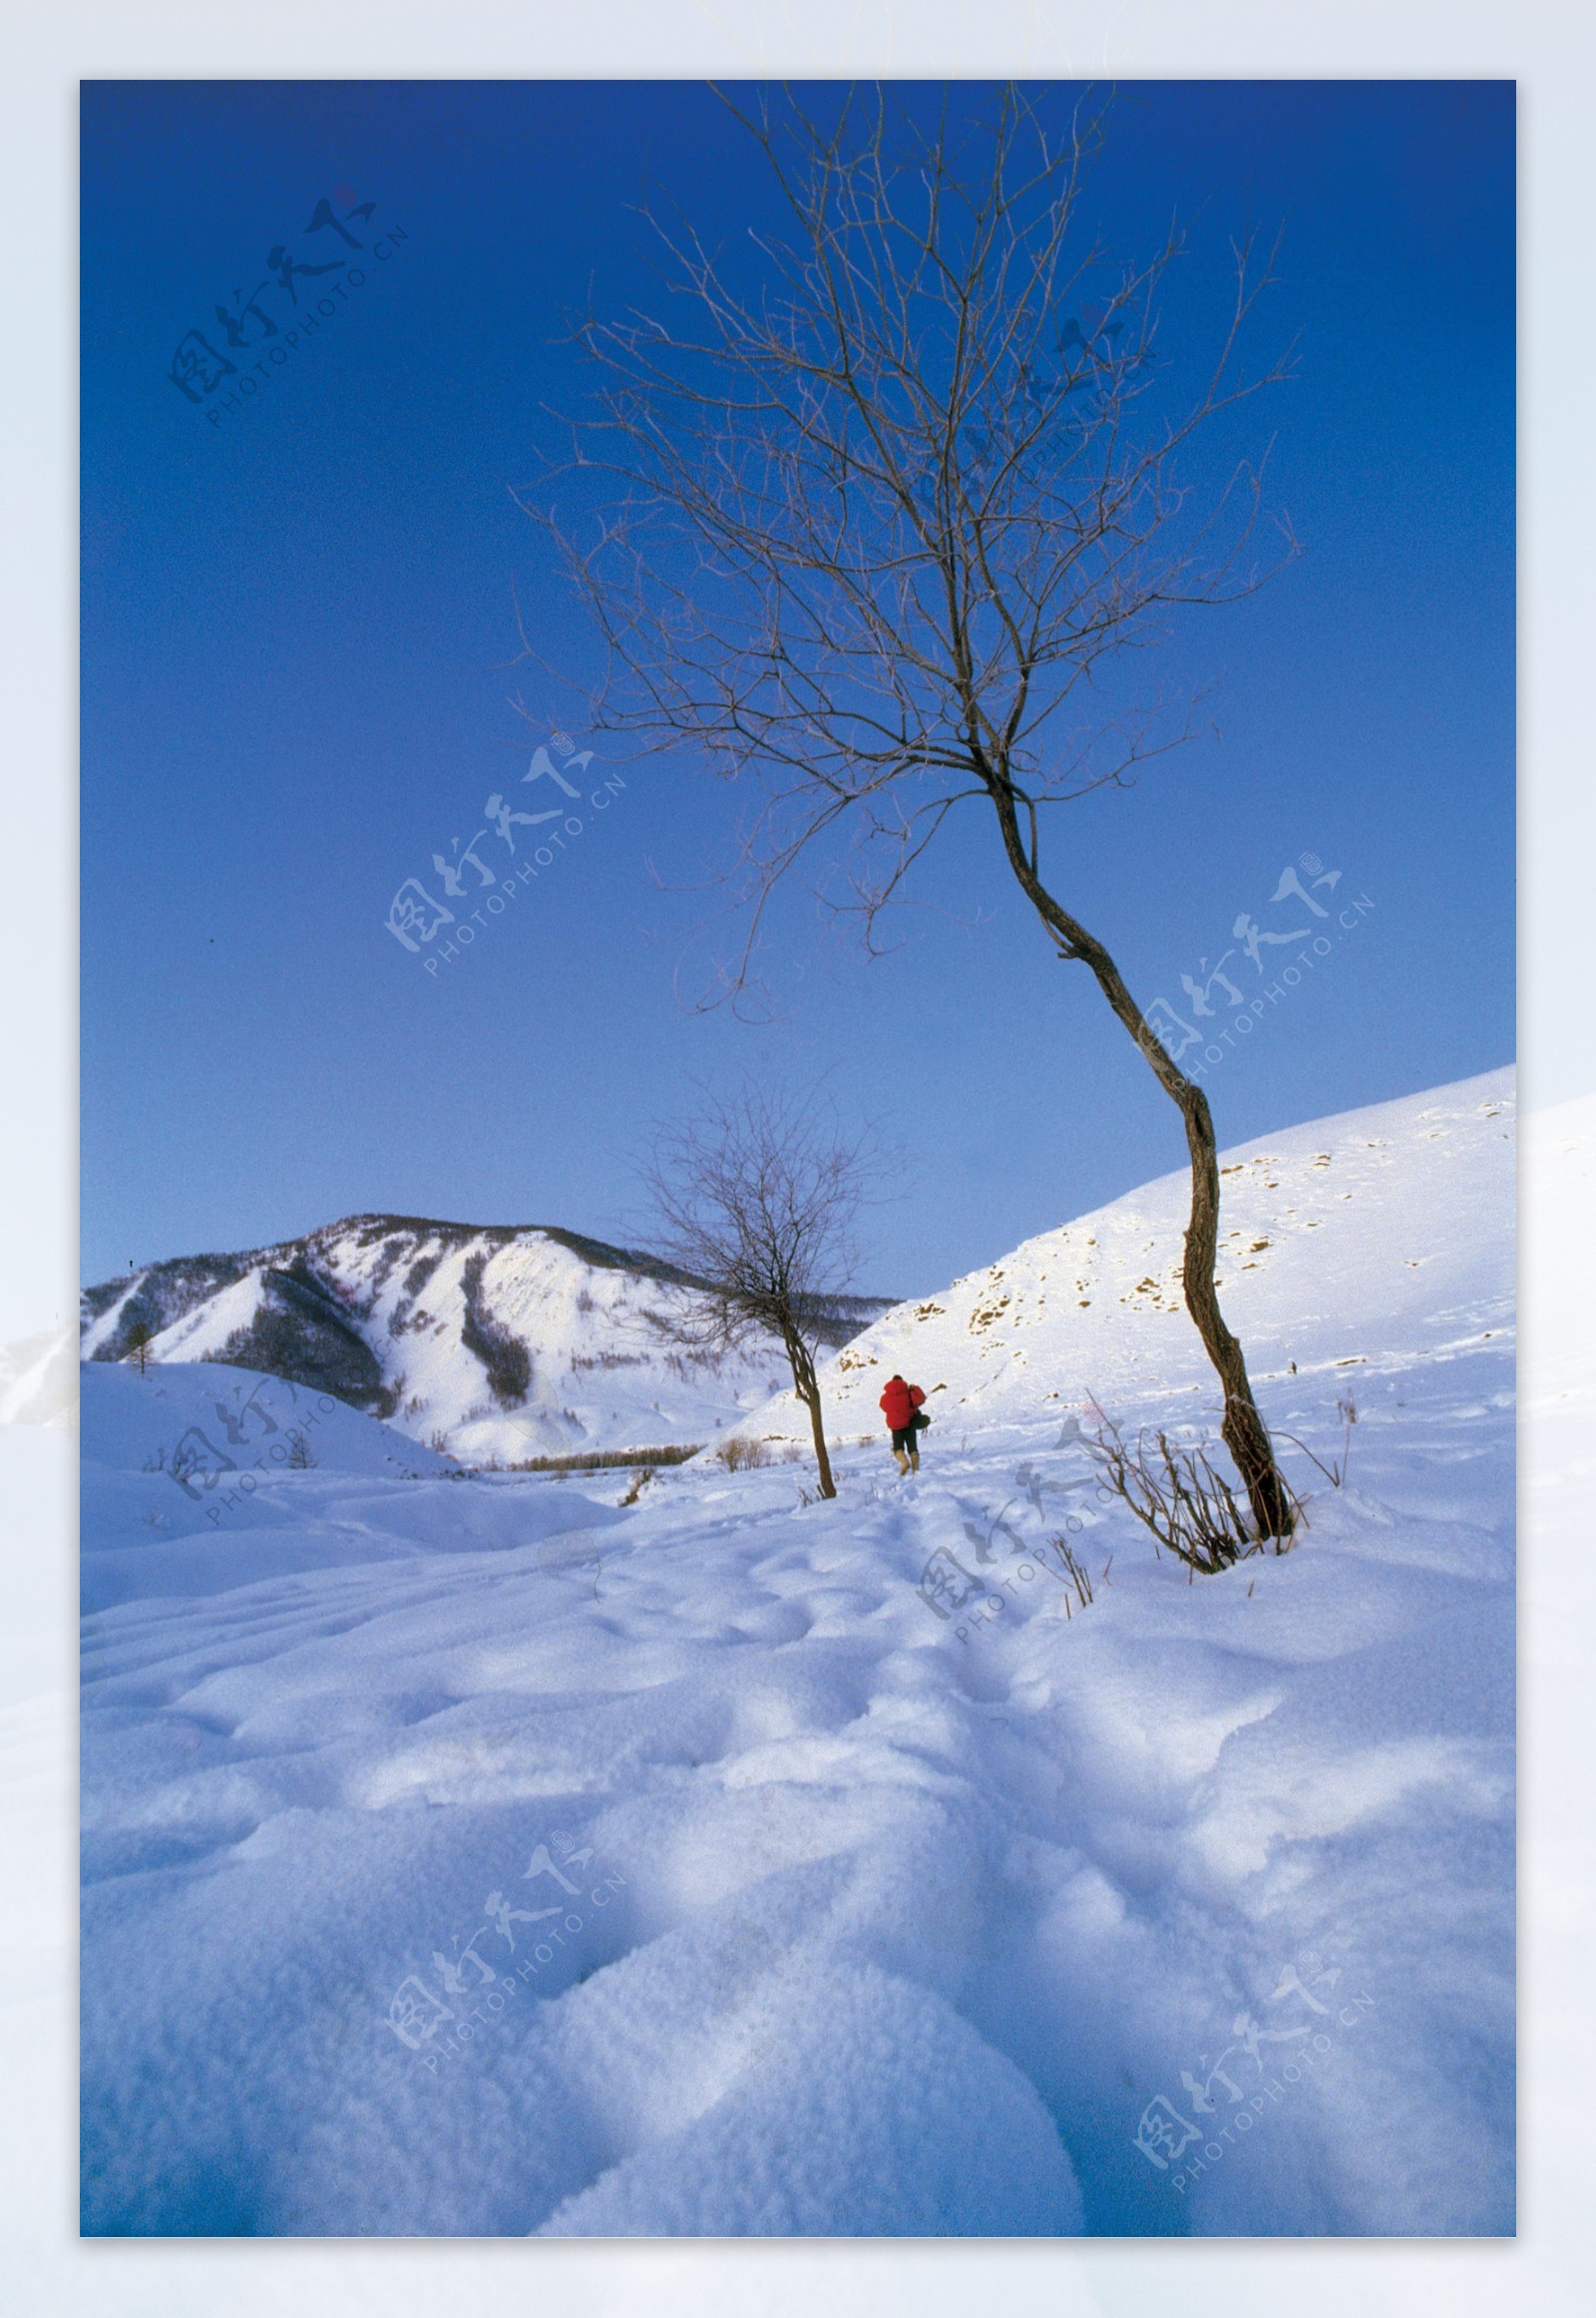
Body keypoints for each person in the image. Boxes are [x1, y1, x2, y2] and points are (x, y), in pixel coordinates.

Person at [879, 1372, 928, 1475]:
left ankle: (904, 1462)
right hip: (909, 1423)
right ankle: (915, 1468)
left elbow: (882, 1406)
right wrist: (914, 1388)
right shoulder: (909, 1393)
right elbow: (921, 1398)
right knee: (912, 1447)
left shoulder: (886, 1396)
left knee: (898, 1448)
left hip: (895, 1427)